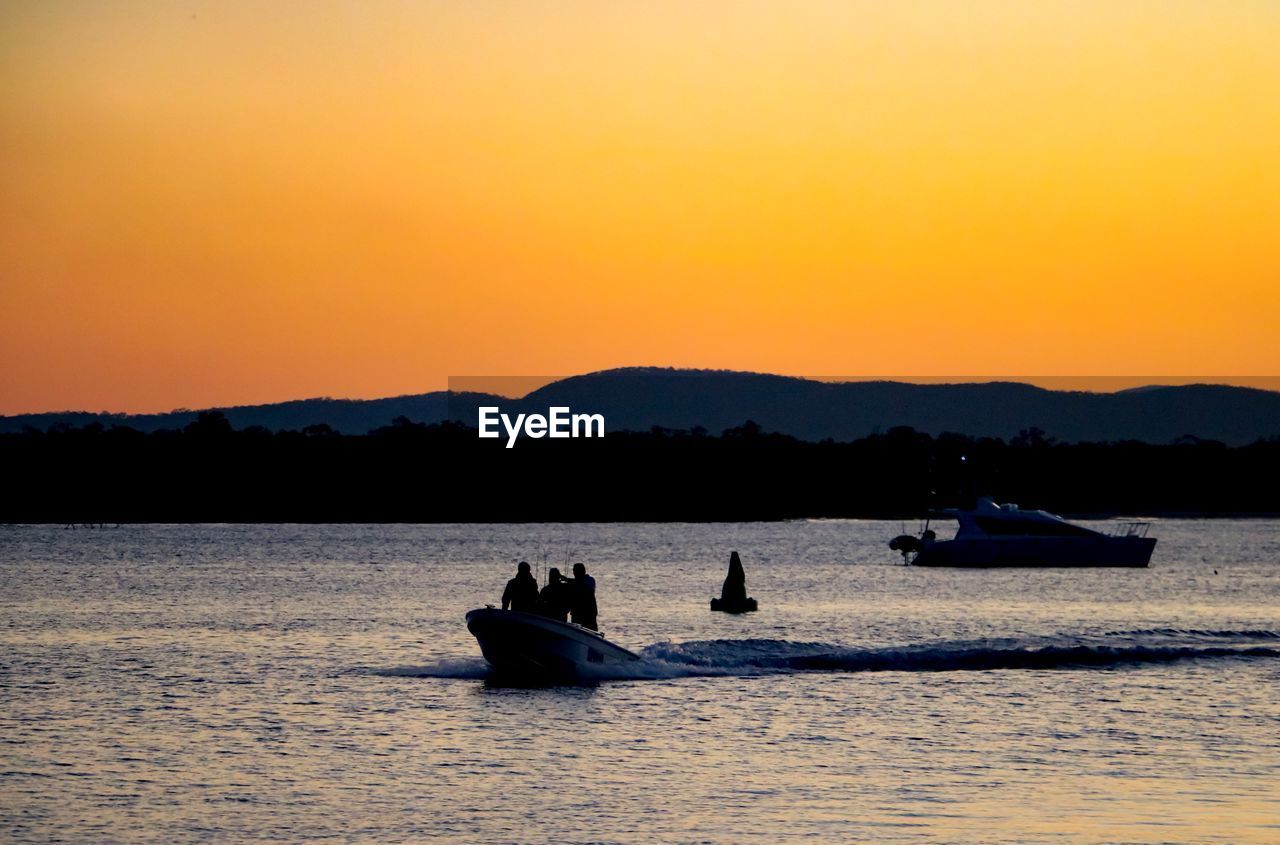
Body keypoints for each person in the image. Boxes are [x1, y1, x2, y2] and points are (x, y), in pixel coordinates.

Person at [568, 562, 598, 631]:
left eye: (576, 571)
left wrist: (568, 580)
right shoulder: (573, 584)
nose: (574, 573)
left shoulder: (590, 580)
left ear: (583, 571)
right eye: (574, 571)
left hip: (589, 616)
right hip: (577, 616)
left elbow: (586, 588)